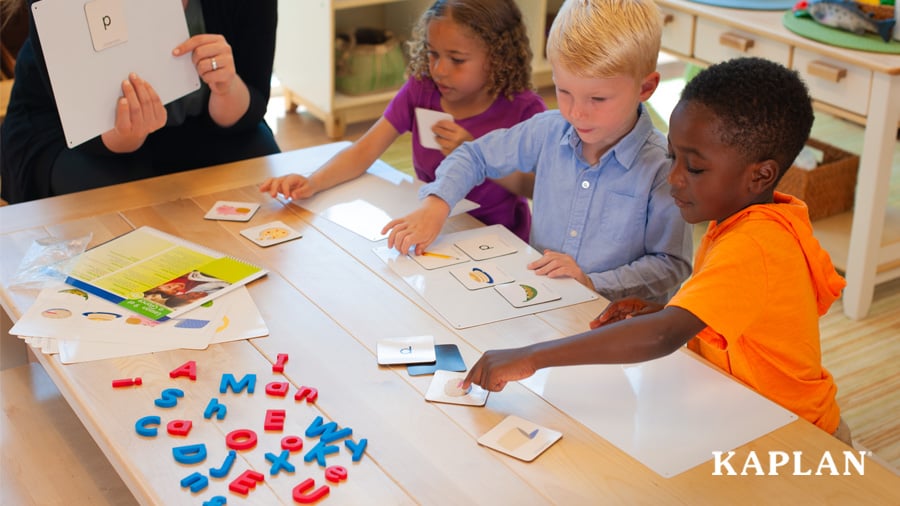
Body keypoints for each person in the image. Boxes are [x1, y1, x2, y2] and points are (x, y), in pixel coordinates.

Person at [461, 57, 852, 445]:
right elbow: (735, 312)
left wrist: (531, 357)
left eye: (694, 169)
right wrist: (664, 311)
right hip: (749, 412)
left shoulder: (755, 244)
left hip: (798, 436)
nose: (674, 179)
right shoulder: (750, 219)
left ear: (761, 175)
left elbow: (660, 339)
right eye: (672, 157)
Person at [382, 0, 691, 304]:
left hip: (621, 326)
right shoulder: (548, 130)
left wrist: (592, 282)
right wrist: (437, 204)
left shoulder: (663, 168)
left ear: (645, 88)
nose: (577, 113)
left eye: (597, 99)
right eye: (564, 91)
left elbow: (671, 264)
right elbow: (473, 155)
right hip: (543, 303)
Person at [260, 0, 545, 242]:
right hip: (430, 225)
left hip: (496, 237)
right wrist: (312, 182)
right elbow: (363, 151)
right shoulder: (421, 90)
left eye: (457, 60)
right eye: (433, 54)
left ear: (498, 58)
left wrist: (479, 156)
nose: (439, 70)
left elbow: (536, 188)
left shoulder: (524, 111)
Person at [0, 0, 280, 203]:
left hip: (202, 127)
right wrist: (127, 134)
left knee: (264, 172)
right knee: (127, 201)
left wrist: (226, 87)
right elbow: (91, 134)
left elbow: (252, 102)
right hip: (71, 133)